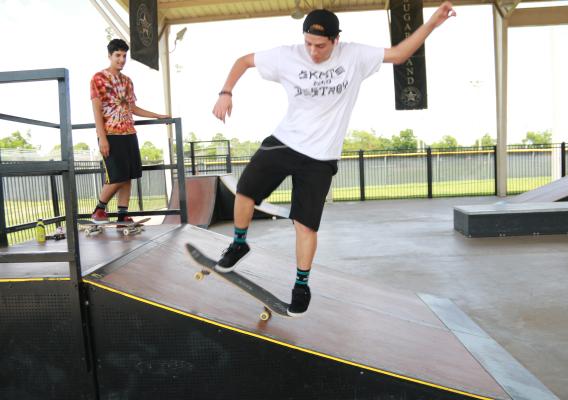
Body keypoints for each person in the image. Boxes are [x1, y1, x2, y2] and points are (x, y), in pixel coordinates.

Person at [210, 3, 456, 316]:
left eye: (321, 46)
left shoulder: (355, 56)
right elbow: (243, 61)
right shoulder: (287, 55)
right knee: (244, 190)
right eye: (308, 44)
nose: (313, 52)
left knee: (305, 225)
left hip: (321, 156)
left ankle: (301, 285)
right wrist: (225, 92)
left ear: (336, 40)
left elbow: (398, 54)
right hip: (285, 141)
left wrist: (432, 23)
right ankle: (239, 244)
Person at [90, 39, 169, 226]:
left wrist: (157, 115)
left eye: (124, 56)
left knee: (129, 174)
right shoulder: (98, 78)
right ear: (109, 56)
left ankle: (122, 214)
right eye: (117, 55)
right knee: (117, 175)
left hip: (129, 132)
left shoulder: (127, 81)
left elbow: (132, 107)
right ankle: (99, 209)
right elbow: (96, 110)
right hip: (110, 133)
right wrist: (102, 138)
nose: (121, 59)